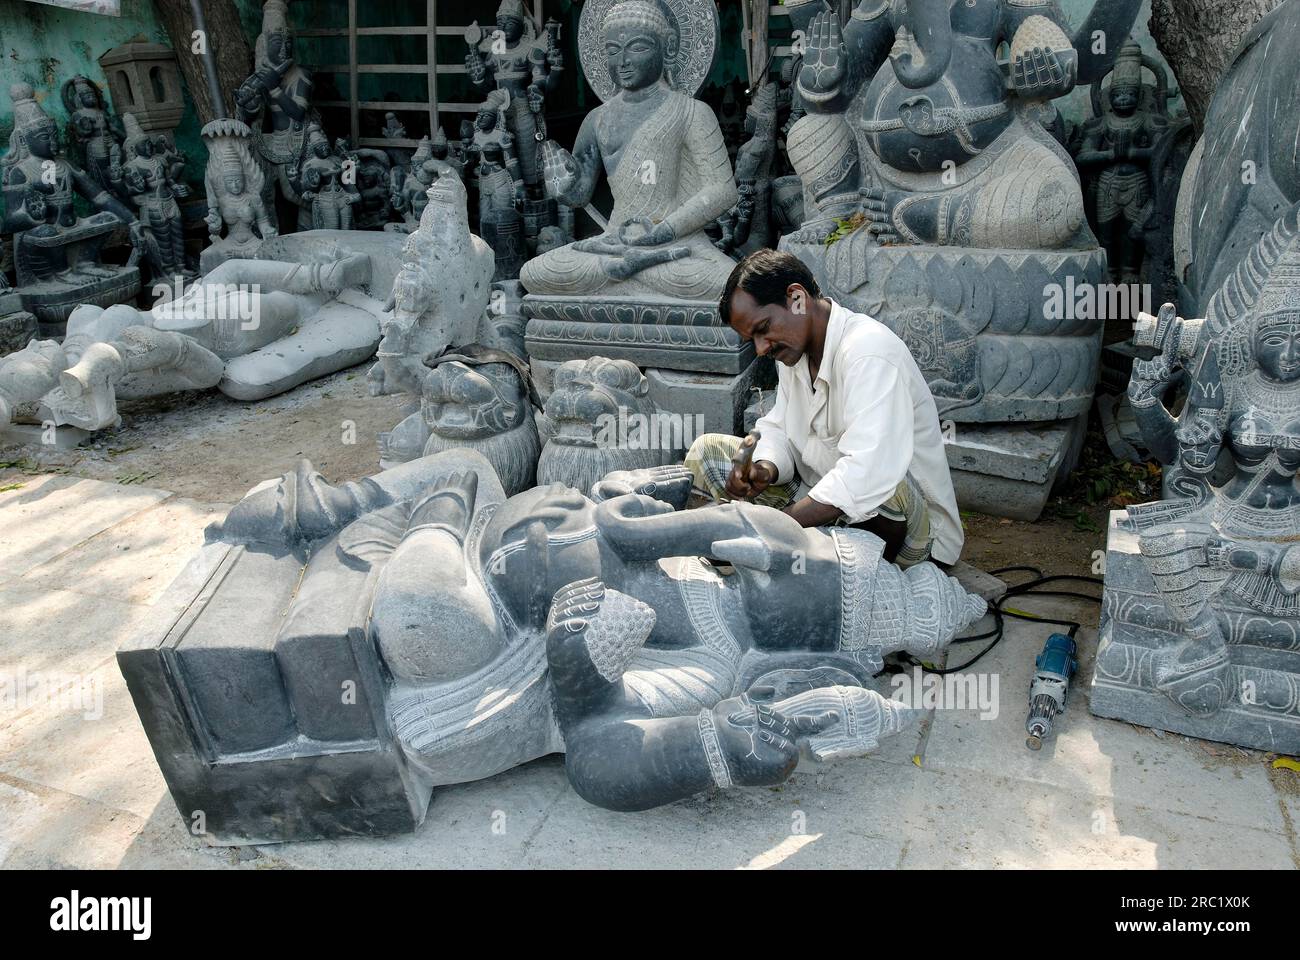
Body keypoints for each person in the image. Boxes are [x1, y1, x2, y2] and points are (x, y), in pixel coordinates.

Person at [686, 248, 964, 568]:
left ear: (797, 298)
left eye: (763, 328)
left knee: (882, 482)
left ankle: (784, 551)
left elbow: (867, 474)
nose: (761, 349)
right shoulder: (793, 352)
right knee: (707, 450)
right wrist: (763, 469)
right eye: (753, 340)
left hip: (913, 533)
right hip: (828, 507)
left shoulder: (869, 351)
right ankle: (718, 555)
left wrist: (777, 525)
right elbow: (779, 428)